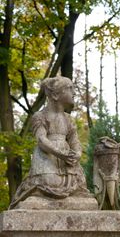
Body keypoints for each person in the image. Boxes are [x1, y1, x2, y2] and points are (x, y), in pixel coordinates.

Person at [10, 77, 91, 209]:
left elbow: (74, 141)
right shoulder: (40, 116)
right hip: (47, 157)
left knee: (79, 185)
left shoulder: (69, 119)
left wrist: (76, 154)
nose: (74, 93)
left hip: (67, 161)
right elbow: (41, 140)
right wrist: (60, 154)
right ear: (55, 95)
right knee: (50, 183)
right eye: (69, 88)